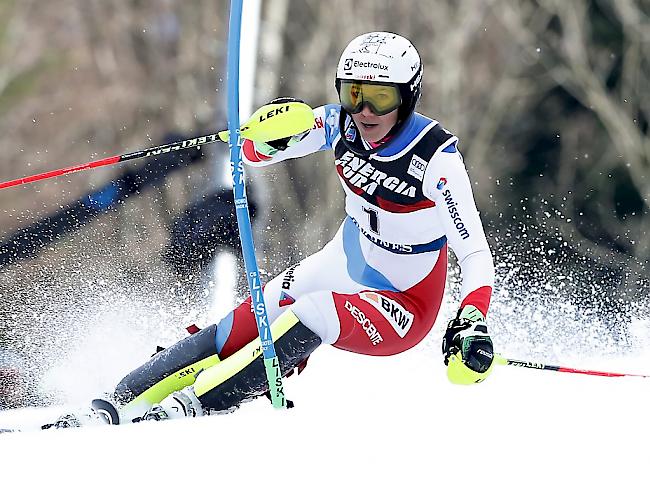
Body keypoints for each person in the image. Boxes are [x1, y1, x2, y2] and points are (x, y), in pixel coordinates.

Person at [111, 31, 496, 422]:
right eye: (354, 93)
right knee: (246, 322)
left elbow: (474, 251)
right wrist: (268, 137)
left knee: (313, 313)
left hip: (404, 298)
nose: (364, 112)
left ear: (408, 96)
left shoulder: (437, 159)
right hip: (346, 258)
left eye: (381, 98)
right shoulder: (338, 123)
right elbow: (252, 154)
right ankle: (119, 399)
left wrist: (472, 318)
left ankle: (194, 405)